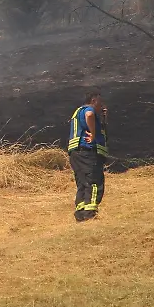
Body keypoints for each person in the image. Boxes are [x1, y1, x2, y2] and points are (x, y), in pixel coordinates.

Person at [66, 91, 108, 222]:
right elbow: (89, 115)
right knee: (94, 182)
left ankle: (80, 214)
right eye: (100, 102)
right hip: (87, 152)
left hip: (76, 154)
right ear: (94, 100)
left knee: (83, 183)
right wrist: (93, 134)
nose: (102, 105)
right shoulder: (88, 109)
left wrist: (102, 119)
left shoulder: (77, 112)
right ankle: (90, 214)